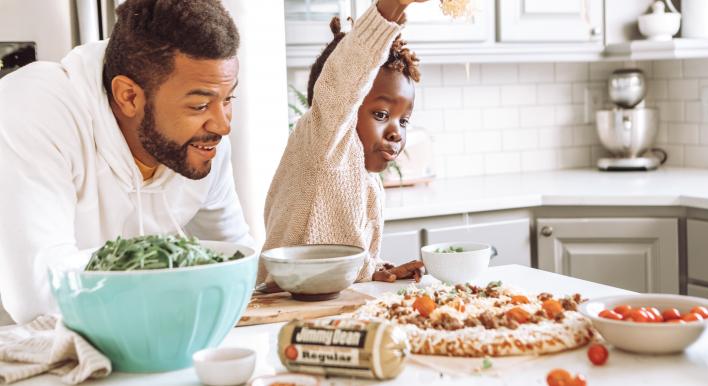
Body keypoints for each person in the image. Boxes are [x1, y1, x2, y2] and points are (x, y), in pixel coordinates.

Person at [0, 0, 252, 324]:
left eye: (228, 98)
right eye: (200, 105)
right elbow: (42, 300)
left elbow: (237, 264)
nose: (222, 125)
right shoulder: (34, 110)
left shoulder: (200, 144)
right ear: (129, 97)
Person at [263, 0, 427, 284]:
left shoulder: (368, 182)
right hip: (281, 305)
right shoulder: (324, 142)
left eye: (403, 120)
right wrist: (393, 5)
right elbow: (345, 76)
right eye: (381, 114)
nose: (396, 133)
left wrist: (376, 270)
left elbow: (343, 263)